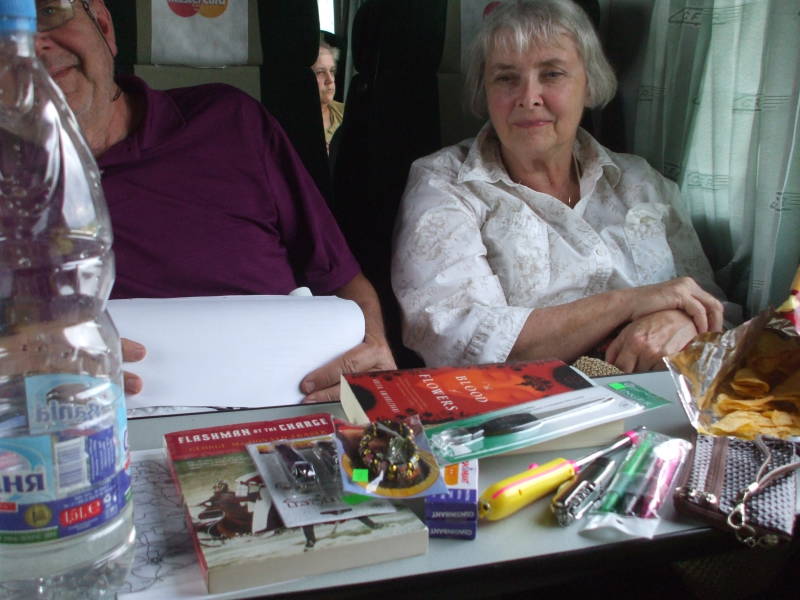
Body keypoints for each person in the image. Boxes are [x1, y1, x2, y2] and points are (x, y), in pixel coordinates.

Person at [33, 0, 395, 402]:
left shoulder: (230, 122)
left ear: (103, 24)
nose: (32, 44)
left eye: (48, 11)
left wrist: (373, 350)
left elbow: (344, 282)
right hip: (82, 433)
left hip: (290, 417)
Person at [392, 0, 732, 373]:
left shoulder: (642, 182)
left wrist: (681, 319)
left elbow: (710, 304)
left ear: (589, 84)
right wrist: (631, 303)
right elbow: (456, 339)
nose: (528, 97)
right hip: (528, 410)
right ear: (484, 91)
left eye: (552, 74)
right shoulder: (444, 184)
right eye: (506, 78)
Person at [312, 37, 344, 154]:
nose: (330, 80)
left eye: (332, 71)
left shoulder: (347, 112)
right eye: (320, 72)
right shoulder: (294, 122)